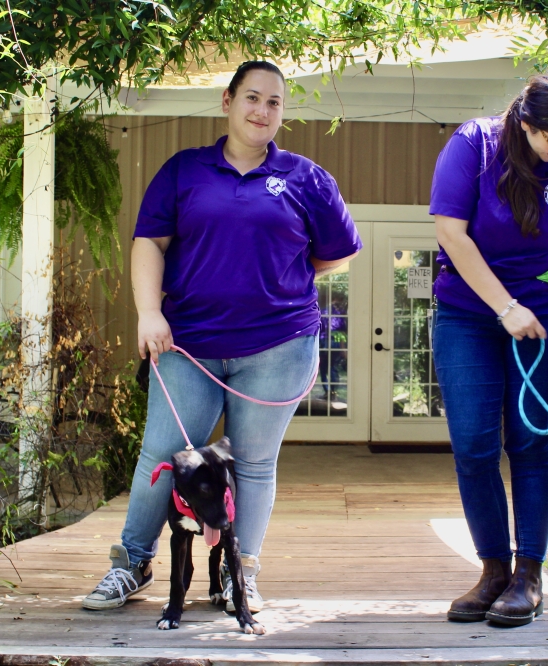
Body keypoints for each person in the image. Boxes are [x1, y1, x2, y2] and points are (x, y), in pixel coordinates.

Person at [82, 61, 362, 613]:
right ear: (228, 101)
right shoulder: (184, 171)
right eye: (252, 98)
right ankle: (132, 563)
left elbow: (336, 255)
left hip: (278, 346)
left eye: (275, 103)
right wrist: (147, 312)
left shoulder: (307, 178)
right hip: (187, 344)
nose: (262, 111)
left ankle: (240, 572)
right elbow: (149, 244)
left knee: (255, 463)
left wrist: (279, 278)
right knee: (162, 455)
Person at [430, 70, 548, 627]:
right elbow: (450, 233)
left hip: (541, 320)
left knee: (530, 442)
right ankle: (493, 572)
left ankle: (529, 576)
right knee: (474, 447)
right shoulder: (474, 145)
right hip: (469, 314)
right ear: (525, 123)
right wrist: (505, 307)